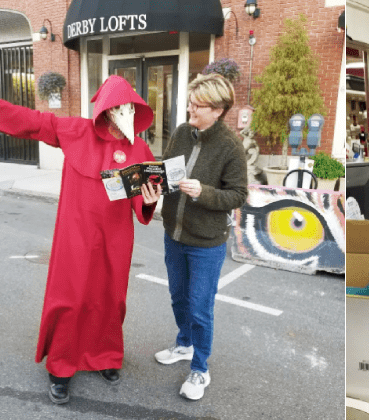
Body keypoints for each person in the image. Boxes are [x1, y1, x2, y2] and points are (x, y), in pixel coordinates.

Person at [0, 76, 162, 404]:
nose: (122, 112)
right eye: (117, 107)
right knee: (70, 297)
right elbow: (36, 123)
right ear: (105, 109)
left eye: (129, 107)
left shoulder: (139, 148)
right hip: (75, 234)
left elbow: (143, 202)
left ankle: (105, 356)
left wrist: (150, 198)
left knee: (111, 298)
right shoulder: (77, 130)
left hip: (116, 238)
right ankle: (61, 367)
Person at [153, 74, 248, 401]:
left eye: (198, 105)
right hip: (174, 234)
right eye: (190, 102)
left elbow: (238, 195)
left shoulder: (230, 146)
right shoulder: (181, 133)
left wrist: (203, 192)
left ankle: (200, 367)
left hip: (206, 242)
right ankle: (184, 344)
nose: (190, 109)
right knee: (179, 298)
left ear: (218, 110)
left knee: (199, 307)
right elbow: (166, 172)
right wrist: (151, 185)